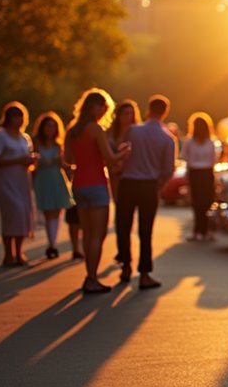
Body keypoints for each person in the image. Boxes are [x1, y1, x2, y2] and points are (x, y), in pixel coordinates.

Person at [64, 88, 132, 293]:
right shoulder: (95, 129)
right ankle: (91, 278)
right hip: (96, 185)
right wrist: (124, 153)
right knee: (97, 235)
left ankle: (90, 276)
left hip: (79, 185)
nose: (104, 111)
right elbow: (110, 160)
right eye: (103, 107)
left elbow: (68, 160)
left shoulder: (72, 130)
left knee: (87, 233)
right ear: (95, 107)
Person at [115, 94, 176, 289]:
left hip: (128, 182)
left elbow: (121, 154)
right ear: (165, 112)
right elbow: (168, 170)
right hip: (149, 185)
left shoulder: (132, 131)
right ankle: (144, 273)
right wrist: (158, 185)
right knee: (145, 230)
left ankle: (125, 265)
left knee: (123, 225)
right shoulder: (168, 138)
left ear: (148, 109)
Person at [0, 102, 38, 267]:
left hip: (22, 180)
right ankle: (8, 253)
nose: (18, 119)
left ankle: (19, 252)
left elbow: (27, 159)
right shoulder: (0, 135)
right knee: (12, 213)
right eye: (15, 116)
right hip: (6, 180)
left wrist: (31, 161)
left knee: (23, 214)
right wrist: (17, 160)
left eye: (21, 116)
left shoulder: (24, 138)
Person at [31, 111, 75, 259]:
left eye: (53, 126)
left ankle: (53, 243)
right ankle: (52, 243)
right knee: (48, 212)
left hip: (57, 178)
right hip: (44, 179)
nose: (50, 129)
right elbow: (33, 163)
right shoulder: (36, 143)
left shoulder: (58, 144)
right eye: (48, 126)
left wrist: (68, 166)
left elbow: (64, 164)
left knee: (57, 212)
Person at [181, 112, 218, 242]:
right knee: (201, 203)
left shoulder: (203, 142)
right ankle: (202, 230)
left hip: (200, 173)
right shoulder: (204, 142)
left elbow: (186, 157)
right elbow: (213, 158)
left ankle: (203, 230)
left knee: (203, 203)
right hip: (202, 173)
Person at [106, 99, 141, 204]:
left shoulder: (138, 133)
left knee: (129, 204)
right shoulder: (110, 132)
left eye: (131, 114)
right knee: (118, 202)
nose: (128, 117)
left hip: (132, 174)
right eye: (125, 114)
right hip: (114, 174)